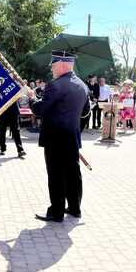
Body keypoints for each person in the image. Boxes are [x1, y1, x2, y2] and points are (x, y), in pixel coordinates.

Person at [29, 50, 89, 222]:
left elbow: (40, 110)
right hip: (72, 137)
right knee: (72, 173)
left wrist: (32, 98)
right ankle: (75, 208)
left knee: (56, 175)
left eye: (53, 65)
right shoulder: (82, 85)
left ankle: (57, 212)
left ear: (63, 64)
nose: (52, 69)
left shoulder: (55, 85)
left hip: (55, 138)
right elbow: (85, 113)